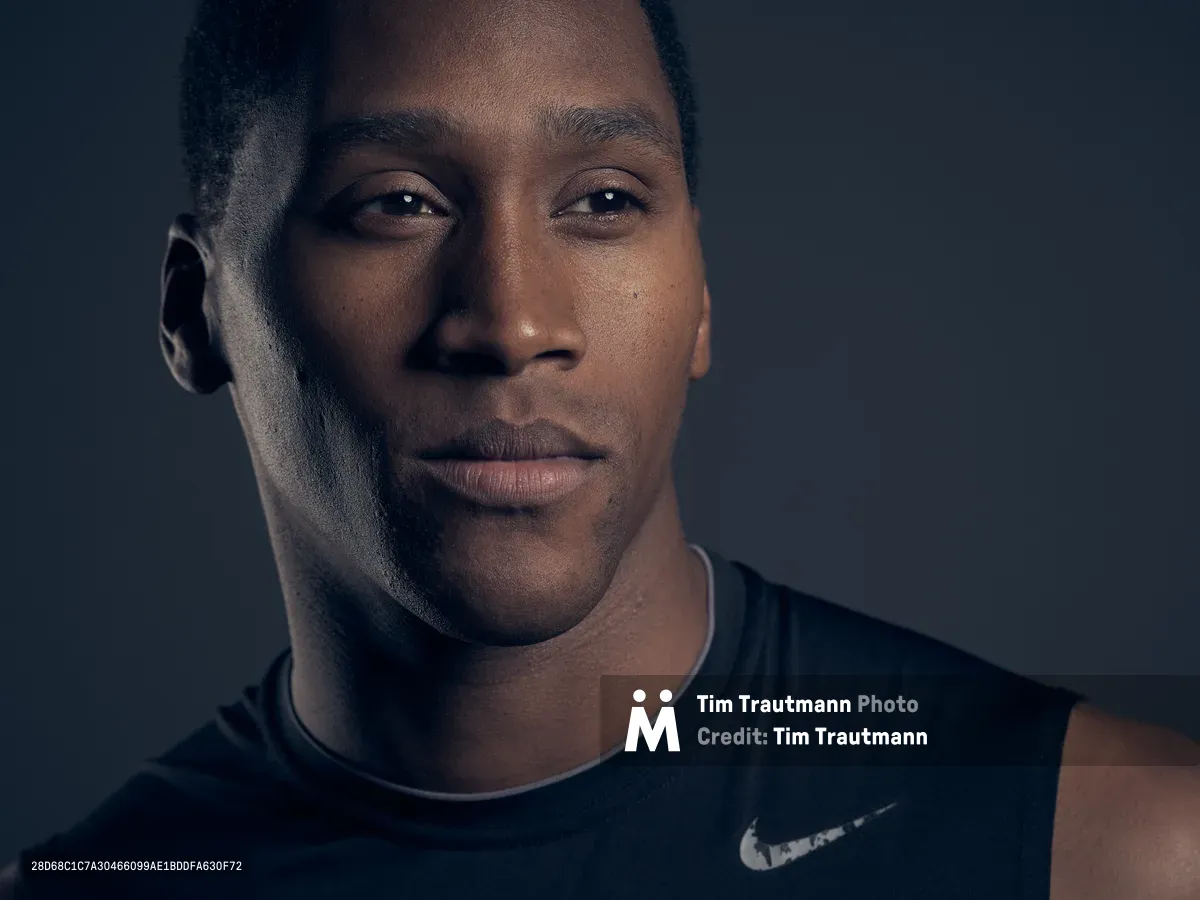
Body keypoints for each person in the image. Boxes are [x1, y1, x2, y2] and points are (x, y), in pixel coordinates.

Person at [4, 0, 1198, 897]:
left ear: (701, 299)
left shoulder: (1118, 849)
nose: (513, 321)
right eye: (398, 202)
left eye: (605, 200)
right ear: (195, 309)